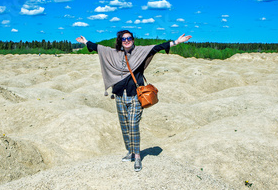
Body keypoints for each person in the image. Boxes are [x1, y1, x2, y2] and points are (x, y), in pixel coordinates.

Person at [76, 30, 192, 172]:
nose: (127, 40)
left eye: (129, 38)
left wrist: (176, 42)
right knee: (124, 125)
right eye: (123, 39)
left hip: (136, 95)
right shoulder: (113, 53)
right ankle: (130, 152)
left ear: (133, 39)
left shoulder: (140, 52)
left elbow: (157, 47)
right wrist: (85, 42)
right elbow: (97, 48)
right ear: (120, 41)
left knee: (133, 124)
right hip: (119, 95)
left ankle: (137, 156)